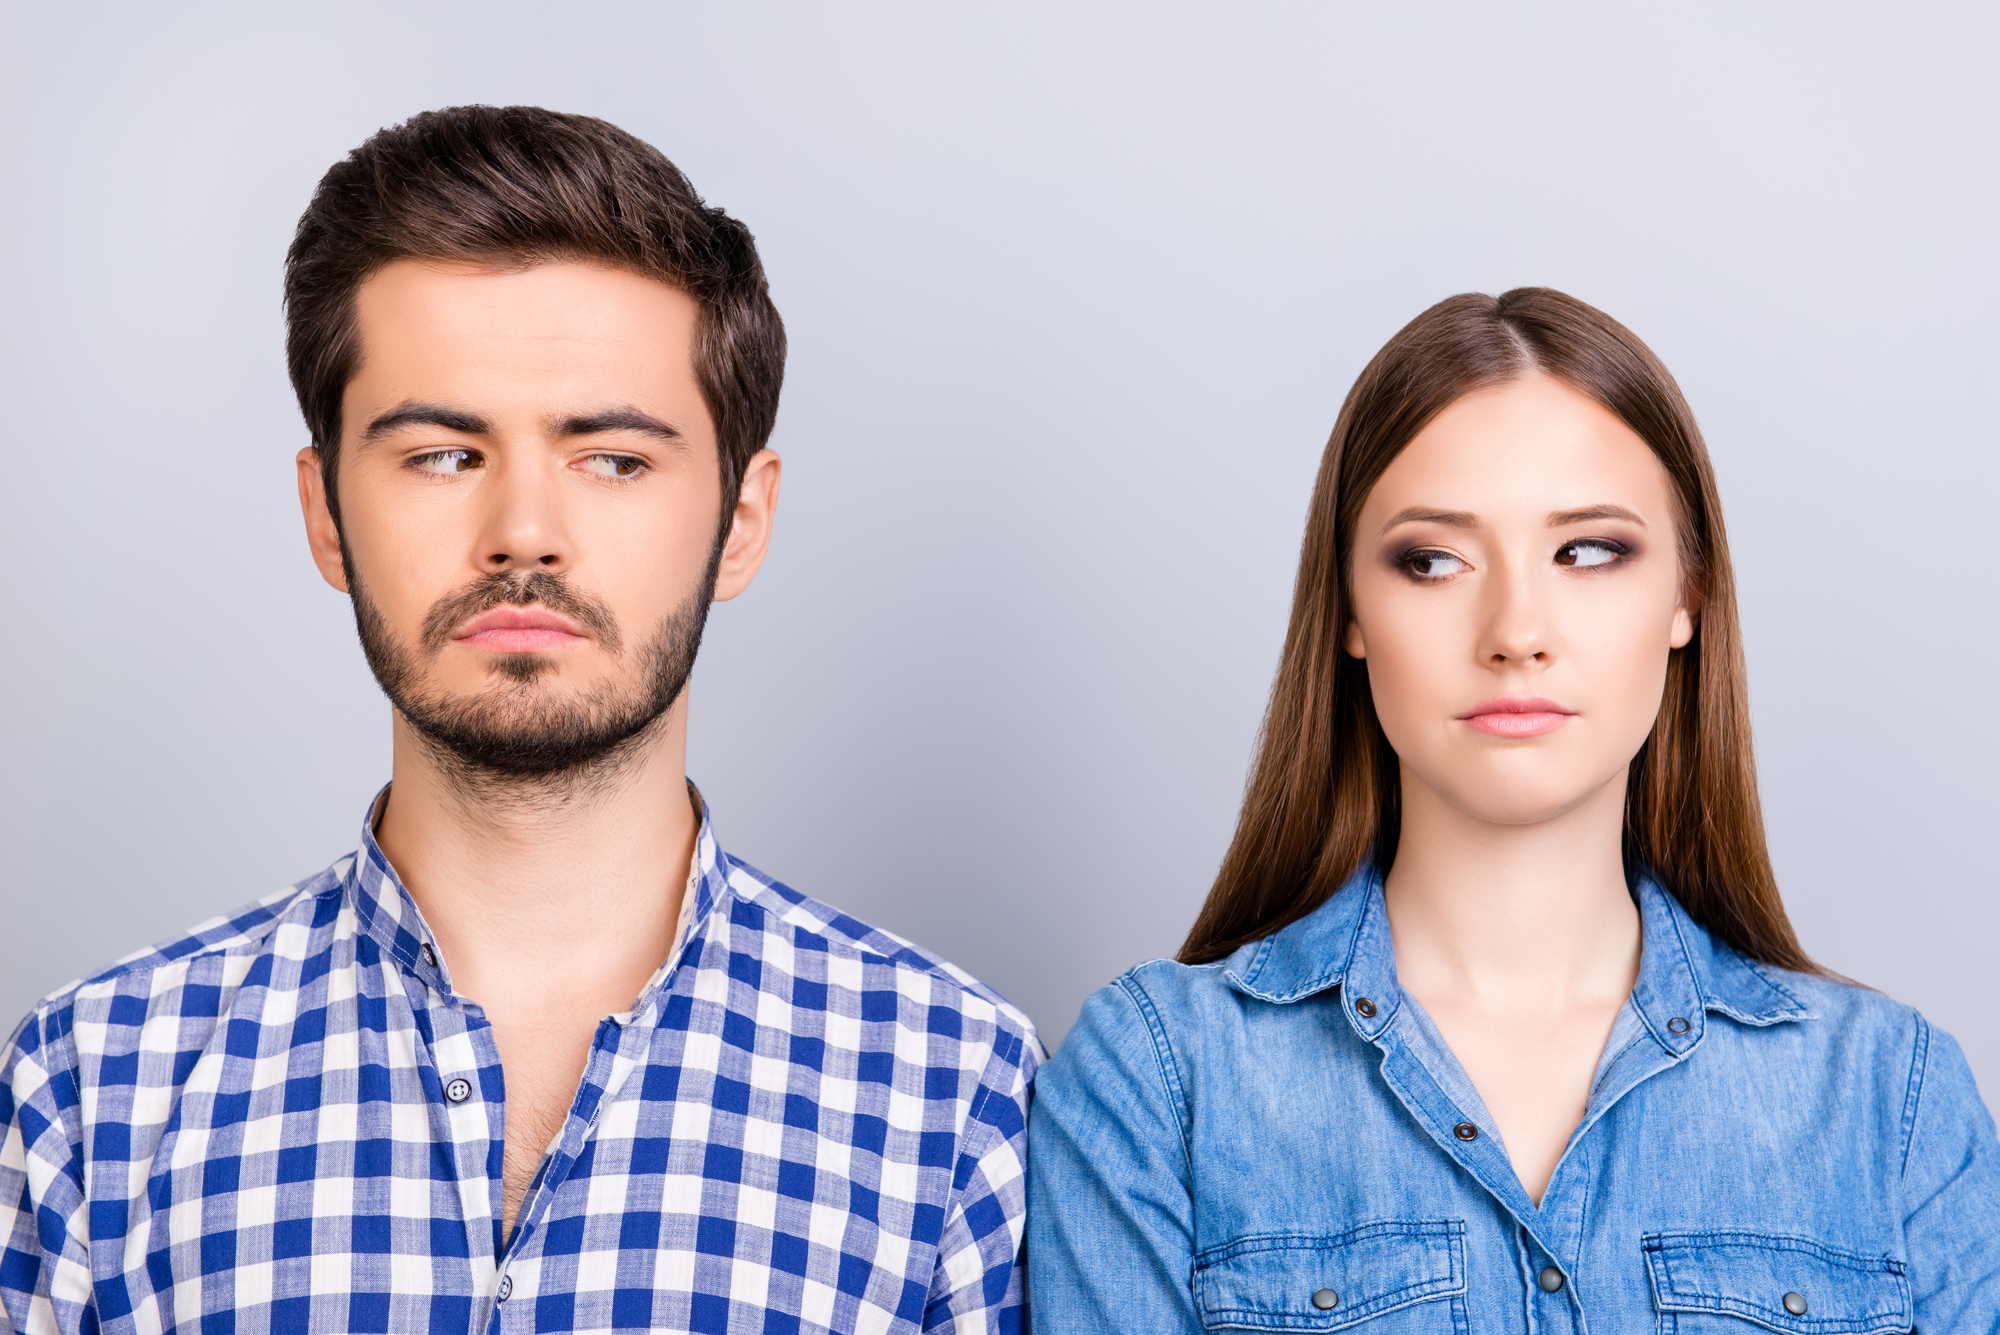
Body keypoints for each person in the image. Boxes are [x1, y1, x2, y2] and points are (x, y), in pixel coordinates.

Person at [0, 106, 1037, 1335]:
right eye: (442, 454)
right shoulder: (92, 1085)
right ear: (327, 513)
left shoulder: (952, 1092)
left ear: (741, 522)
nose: (524, 531)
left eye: (612, 458)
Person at [1026, 289, 2000, 1330]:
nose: (1515, 631)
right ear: (1349, 611)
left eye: (1586, 551)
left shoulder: (1889, 1099)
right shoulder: (1154, 1082)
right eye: (1431, 559)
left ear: (1686, 598)